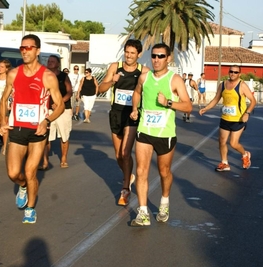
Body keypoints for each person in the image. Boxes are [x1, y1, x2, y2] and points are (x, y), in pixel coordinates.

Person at [0, 34, 64, 224]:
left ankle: (30, 208)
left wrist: (47, 120)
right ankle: (23, 187)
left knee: (30, 172)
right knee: (13, 173)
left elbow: (59, 105)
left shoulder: (48, 76)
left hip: (38, 131)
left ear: (37, 51)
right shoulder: (13, 74)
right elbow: (4, 99)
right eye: (22, 48)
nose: (25, 51)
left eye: (29, 48)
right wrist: (3, 121)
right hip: (17, 128)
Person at [129, 43, 192, 226]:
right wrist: (135, 108)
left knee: (164, 172)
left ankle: (164, 202)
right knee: (141, 171)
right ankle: (143, 213)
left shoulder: (175, 80)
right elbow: (137, 93)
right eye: (154, 56)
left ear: (168, 58)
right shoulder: (144, 77)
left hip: (165, 134)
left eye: (161, 56)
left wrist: (169, 103)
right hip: (145, 130)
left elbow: (188, 107)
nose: (156, 60)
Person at [99, 39, 150, 206]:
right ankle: (129, 175)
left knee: (126, 153)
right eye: (127, 52)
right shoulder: (115, 67)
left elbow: (150, 92)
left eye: (132, 53)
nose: (128, 55)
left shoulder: (144, 71)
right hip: (116, 113)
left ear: (139, 55)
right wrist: (111, 81)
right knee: (118, 155)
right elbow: (101, 89)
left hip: (132, 115)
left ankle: (125, 189)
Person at [199, 65, 255, 172]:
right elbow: (216, 99)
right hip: (225, 118)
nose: (233, 74)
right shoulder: (223, 85)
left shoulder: (242, 85)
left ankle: (245, 154)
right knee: (222, 141)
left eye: (235, 72)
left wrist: (247, 113)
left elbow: (253, 100)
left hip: (238, 119)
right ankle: (225, 163)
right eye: (231, 71)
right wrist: (206, 108)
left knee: (233, 143)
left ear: (239, 74)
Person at [39, 55, 73, 170]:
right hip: (48, 110)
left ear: (58, 64)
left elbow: (69, 92)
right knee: (46, 136)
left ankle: (63, 159)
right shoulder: (44, 76)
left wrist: (59, 103)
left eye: (53, 61)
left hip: (63, 109)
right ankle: (45, 162)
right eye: (49, 61)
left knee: (64, 135)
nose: (50, 63)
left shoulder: (64, 76)